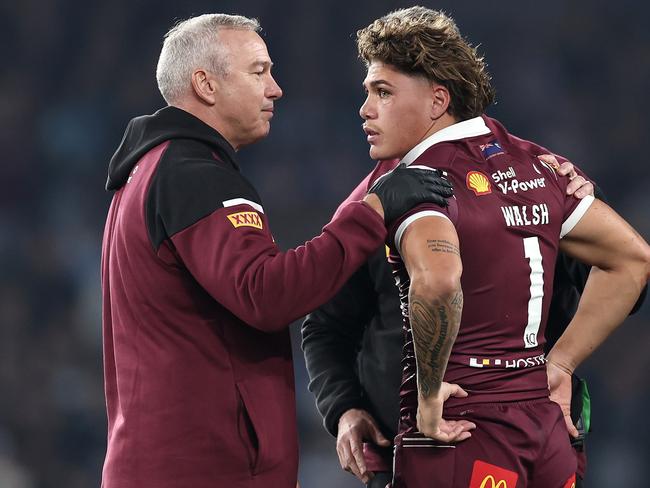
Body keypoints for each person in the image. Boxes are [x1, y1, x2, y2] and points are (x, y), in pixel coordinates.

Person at [100, 13, 453, 488]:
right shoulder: (194, 176)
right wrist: (372, 211)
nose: (276, 89)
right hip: (206, 469)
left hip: (168, 461)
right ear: (205, 84)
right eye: (259, 71)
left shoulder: (149, 170)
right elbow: (266, 295)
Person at [338, 6, 648, 487]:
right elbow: (633, 260)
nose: (366, 109)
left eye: (383, 92)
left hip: (460, 422)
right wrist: (561, 363)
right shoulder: (541, 165)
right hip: (545, 425)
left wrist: (425, 394)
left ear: (438, 100)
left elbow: (439, 281)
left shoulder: (418, 183)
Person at [303, 180, 647, 488]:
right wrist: (343, 407)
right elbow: (325, 326)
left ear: (439, 104)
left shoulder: (533, 185)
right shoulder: (371, 205)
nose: (367, 110)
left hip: (532, 449)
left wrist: (589, 206)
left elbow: (626, 279)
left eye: (384, 101)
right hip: (411, 451)